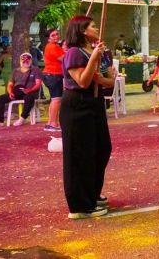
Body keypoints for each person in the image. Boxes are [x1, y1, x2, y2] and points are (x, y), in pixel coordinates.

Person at [58, 15, 115, 219]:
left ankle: (91, 193)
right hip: (77, 105)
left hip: (96, 103)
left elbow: (110, 82)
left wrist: (102, 73)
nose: (96, 27)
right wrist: (94, 60)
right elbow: (83, 81)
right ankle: (80, 205)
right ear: (82, 30)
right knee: (79, 155)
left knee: (101, 148)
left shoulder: (98, 51)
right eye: (92, 25)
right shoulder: (74, 53)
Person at [0, 52, 43, 128]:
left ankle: (22, 118)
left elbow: (38, 84)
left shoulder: (35, 70)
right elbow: (10, 84)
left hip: (31, 92)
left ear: (31, 60)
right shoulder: (15, 71)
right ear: (20, 61)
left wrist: (29, 90)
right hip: (18, 91)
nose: (25, 61)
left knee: (28, 98)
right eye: (23, 60)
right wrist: (10, 92)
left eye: (27, 60)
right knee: (0, 99)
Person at [42, 29, 65, 131]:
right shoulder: (53, 47)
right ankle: (54, 124)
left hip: (50, 75)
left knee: (54, 100)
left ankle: (50, 123)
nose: (56, 36)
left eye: (57, 34)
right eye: (53, 35)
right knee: (56, 100)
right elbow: (63, 58)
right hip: (54, 75)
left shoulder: (52, 46)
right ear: (48, 38)